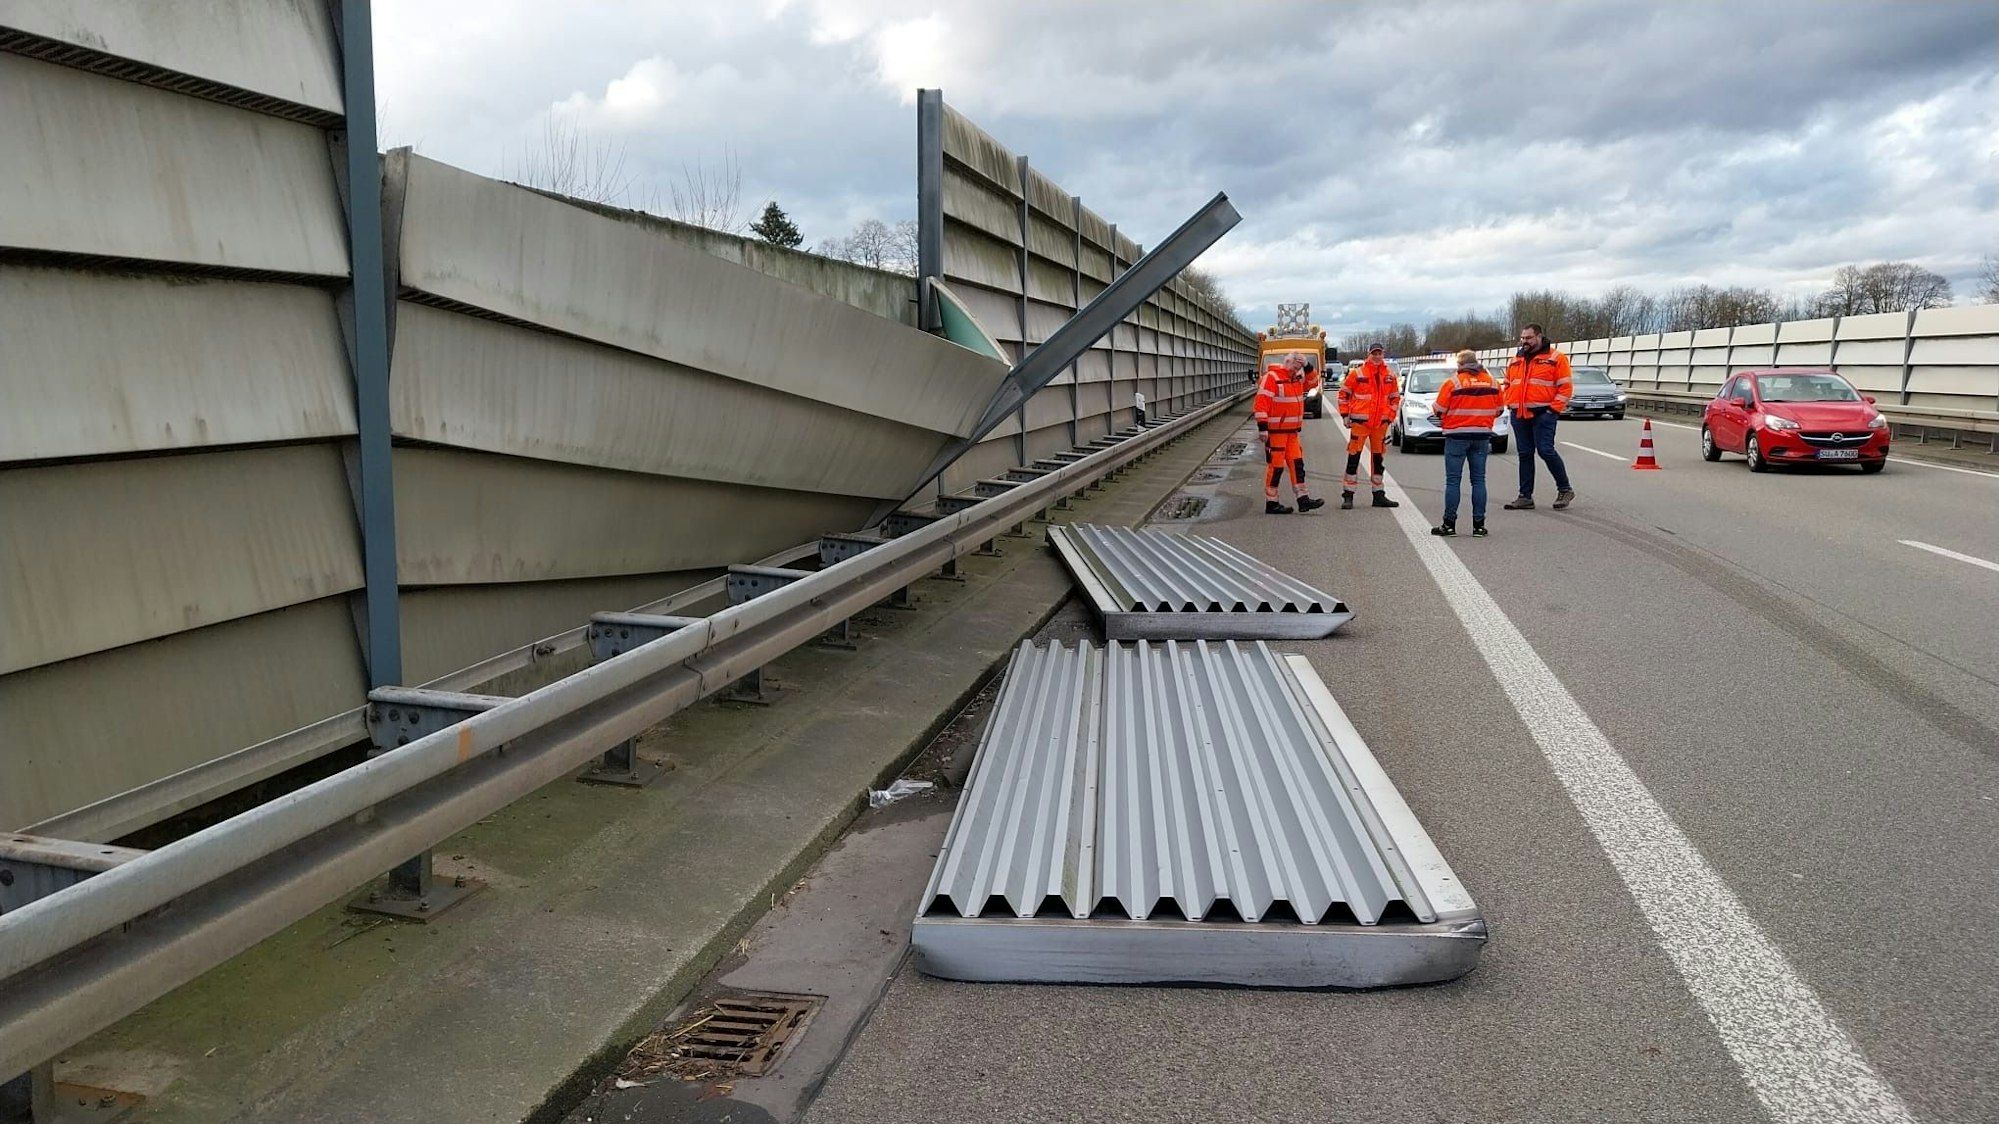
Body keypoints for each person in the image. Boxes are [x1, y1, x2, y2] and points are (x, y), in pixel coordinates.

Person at [1429, 350, 1503, 537]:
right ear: (1476, 362)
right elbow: (1500, 409)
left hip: (1456, 435)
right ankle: (1479, 525)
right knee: (1479, 480)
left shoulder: (1453, 383)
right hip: (1481, 436)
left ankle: (1449, 524)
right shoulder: (1492, 382)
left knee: (1453, 480)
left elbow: (1438, 409)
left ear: (1460, 365)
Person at [1503, 323, 1575, 510]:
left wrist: (1553, 410)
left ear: (1539, 337)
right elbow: (1508, 384)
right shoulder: (1515, 360)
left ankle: (1565, 489)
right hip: (1519, 413)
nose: (1524, 341)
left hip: (1544, 413)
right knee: (1525, 454)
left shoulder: (1556, 358)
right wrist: (1509, 403)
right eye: (1522, 338)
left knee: (1545, 450)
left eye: (1528, 338)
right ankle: (1525, 496)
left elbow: (1565, 387)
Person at [1253, 354, 1324, 514]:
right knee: (1276, 467)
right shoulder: (1272, 377)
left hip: (1292, 432)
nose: (1296, 370)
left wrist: (1307, 365)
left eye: (1299, 367)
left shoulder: (1297, 378)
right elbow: (1261, 403)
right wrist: (1263, 428)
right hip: (1276, 432)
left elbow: (1314, 382)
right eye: (1295, 366)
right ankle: (1272, 502)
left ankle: (1303, 500)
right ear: (1287, 363)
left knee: (1297, 465)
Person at [1337, 344, 1402, 509]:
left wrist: (1390, 418)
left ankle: (1378, 495)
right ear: (1369, 354)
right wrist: (1345, 415)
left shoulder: (1389, 375)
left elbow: (1395, 398)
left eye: (1379, 353)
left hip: (1380, 424)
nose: (1377, 356)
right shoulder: (1357, 373)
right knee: (1353, 459)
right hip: (1360, 423)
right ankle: (1348, 495)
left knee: (1378, 460)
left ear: (1383, 354)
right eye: (1374, 353)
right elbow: (1343, 394)